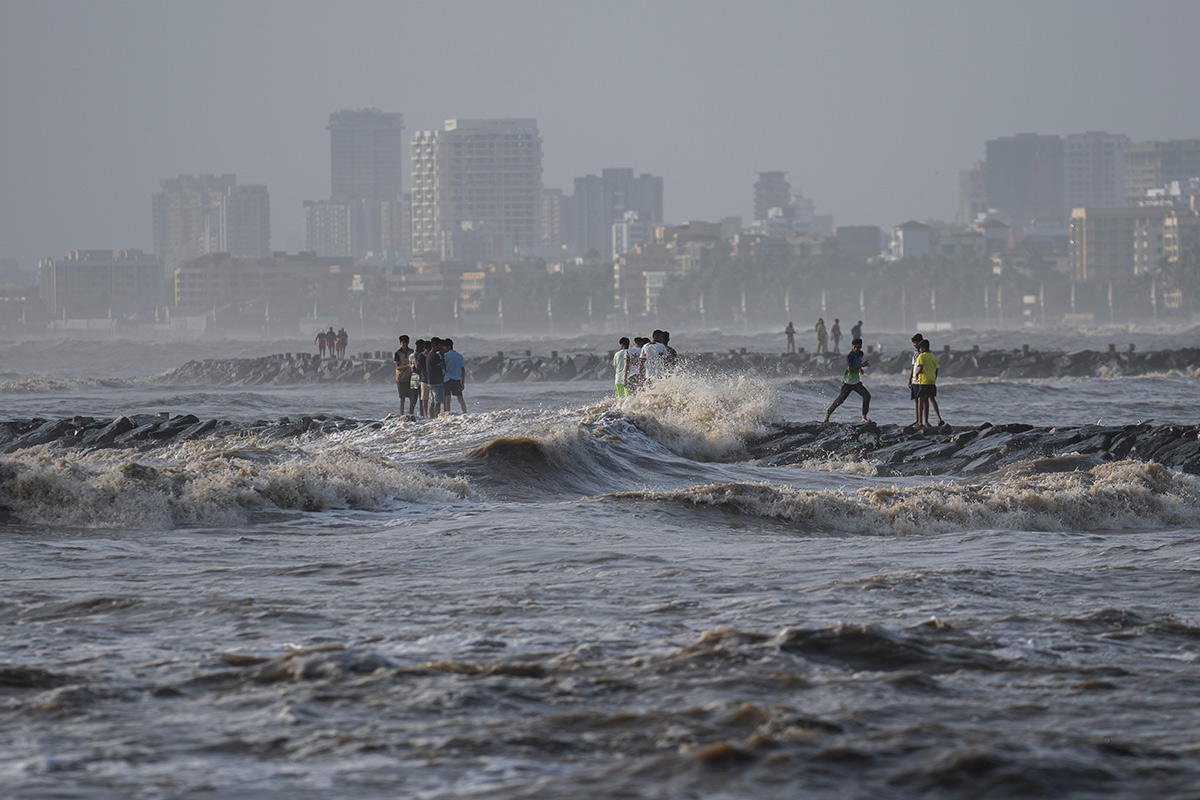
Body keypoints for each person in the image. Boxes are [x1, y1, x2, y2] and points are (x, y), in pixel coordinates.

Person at [823, 338, 871, 423]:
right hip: (848, 382)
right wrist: (861, 366)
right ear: (852, 347)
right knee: (840, 400)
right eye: (854, 347)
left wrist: (860, 369)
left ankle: (864, 417)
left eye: (858, 347)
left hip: (856, 382)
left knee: (867, 396)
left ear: (861, 347)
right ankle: (827, 414)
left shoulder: (861, 354)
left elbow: (858, 362)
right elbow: (849, 369)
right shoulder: (850, 356)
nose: (856, 349)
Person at [915, 338, 943, 427]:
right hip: (932, 381)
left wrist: (916, 374)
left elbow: (921, 368)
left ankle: (920, 422)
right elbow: (937, 370)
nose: (919, 350)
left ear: (922, 348)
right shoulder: (933, 356)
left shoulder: (921, 356)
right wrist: (934, 378)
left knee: (921, 399)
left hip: (924, 380)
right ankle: (931, 420)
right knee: (930, 399)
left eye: (920, 348)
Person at [441, 338, 467, 414]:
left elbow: (443, 367)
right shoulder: (459, 356)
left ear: (448, 346)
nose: (443, 348)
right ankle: (465, 412)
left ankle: (447, 414)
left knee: (447, 398)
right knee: (460, 398)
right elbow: (463, 369)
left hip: (447, 379)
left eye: (444, 347)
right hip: (457, 379)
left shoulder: (445, 356)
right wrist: (462, 382)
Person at [425, 336, 445, 418]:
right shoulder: (435, 356)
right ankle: (437, 417)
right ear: (435, 345)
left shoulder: (429, 355)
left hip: (430, 381)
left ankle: (431, 417)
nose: (440, 347)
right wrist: (442, 356)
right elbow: (443, 366)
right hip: (437, 382)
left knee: (432, 401)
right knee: (437, 402)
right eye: (440, 345)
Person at [393, 335, 414, 415]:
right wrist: (408, 366)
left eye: (406, 342)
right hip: (401, 377)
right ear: (400, 343)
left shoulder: (411, 351)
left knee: (411, 397)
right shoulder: (397, 353)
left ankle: (410, 414)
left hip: (410, 377)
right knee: (402, 398)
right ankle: (401, 415)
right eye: (403, 343)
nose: (405, 344)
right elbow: (398, 367)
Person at [415, 339, 430, 418]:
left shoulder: (421, 355)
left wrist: (414, 360)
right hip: (431, 379)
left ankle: (425, 415)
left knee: (424, 399)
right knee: (431, 399)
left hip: (424, 379)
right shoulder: (431, 355)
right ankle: (431, 414)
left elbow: (417, 367)